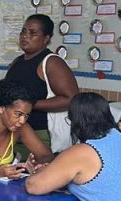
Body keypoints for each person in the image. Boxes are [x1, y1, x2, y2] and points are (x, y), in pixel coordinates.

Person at [6, 14, 78, 154]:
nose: (25, 36)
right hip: (12, 131)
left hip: (40, 134)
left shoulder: (52, 62)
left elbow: (71, 99)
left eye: (32, 33)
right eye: (23, 31)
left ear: (46, 38)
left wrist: (29, 104)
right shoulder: (17, 61)